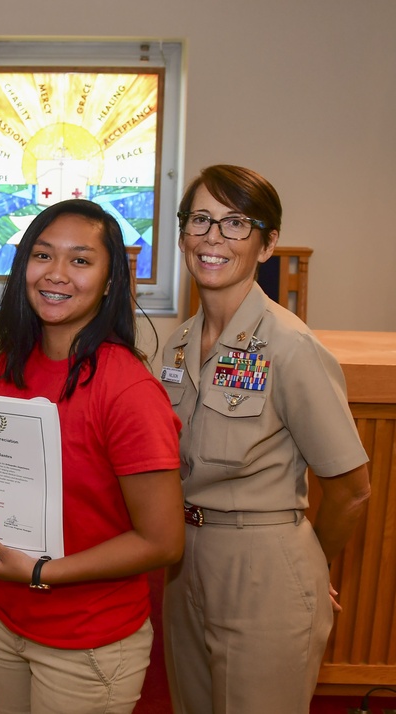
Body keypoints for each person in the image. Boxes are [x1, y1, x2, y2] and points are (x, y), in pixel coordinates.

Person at [0, 199, 185, 713]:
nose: (58, 274)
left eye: (82, 260)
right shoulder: (4, 368)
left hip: (87, 641)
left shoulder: (128, 390)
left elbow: (162, 541)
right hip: (5, 618)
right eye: (43, 255)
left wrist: (42, 572)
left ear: (111, 281)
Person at [160, 165, 372, 714]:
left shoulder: (290, 345)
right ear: (182, 232)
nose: (213, 237)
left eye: (235, 224)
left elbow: (352, 489)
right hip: (185, 563)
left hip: (265, 566)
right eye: (200, 219)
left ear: (267, 243)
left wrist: (305, 566)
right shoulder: (178, 344)